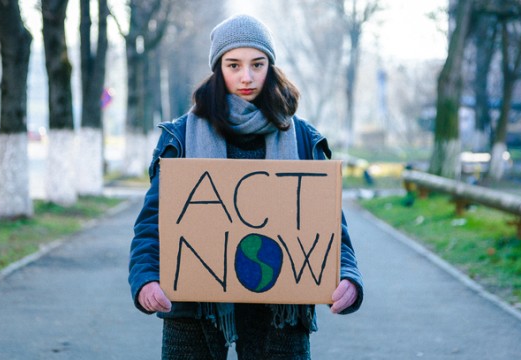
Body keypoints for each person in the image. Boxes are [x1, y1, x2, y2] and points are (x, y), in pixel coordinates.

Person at [128, 14, 363, 359]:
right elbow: (153, 223)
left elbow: (326, 227)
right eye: (233, 64)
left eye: (257, 64)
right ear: (217, 68)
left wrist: (347, 276)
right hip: (196, 309)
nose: (246, 76)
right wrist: (145, 279)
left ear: (270, 66)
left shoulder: (302, 139)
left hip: (279, 309)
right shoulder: (180, 137)